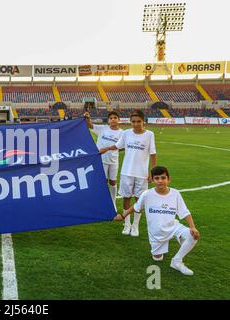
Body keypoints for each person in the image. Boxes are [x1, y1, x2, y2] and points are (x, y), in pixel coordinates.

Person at [114, 166, 200, 276]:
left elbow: (185, 211)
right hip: (157, 233)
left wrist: (192, 226)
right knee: (158, 258)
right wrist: (122, 215)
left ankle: (176, 261)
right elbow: (136, 207)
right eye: (157, 178)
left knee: (193, 235)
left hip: (173, 227)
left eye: (163, 178)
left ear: (169, 179)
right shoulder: (147, 194)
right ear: (153, 180)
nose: (160, 181)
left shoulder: (175, 193)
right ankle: (170, 244)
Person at [100, 109, 157, 237]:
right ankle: (127, 224)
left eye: (138, 121)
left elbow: (153, 153)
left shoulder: (149, 134)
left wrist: (152, 172)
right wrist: (107, 148)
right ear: (130, 122)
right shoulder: (126, 133)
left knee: (139, 199)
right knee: (126, 198)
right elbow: (118, 145)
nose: (136, 124)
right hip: (126, 172)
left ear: (143, 121)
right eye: (133, 122)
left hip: (142, 173)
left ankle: (135, 226)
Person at [84, 110, 123, 208]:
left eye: (115, 118)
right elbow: (90, 125)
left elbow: (124, 146)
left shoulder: (122, 133)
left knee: (113, 181)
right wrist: (88, 118)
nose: (113, 120)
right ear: (108, 120)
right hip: (101, 160)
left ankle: (113, 203)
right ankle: (103, 201)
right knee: (103, 181)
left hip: (113, 160)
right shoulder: (102, 128)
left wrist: (114, 150)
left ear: (119, 120)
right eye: (111, 118)